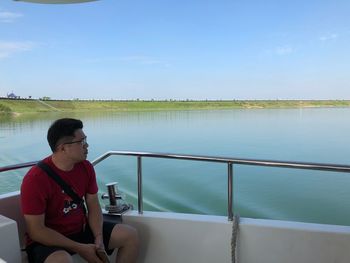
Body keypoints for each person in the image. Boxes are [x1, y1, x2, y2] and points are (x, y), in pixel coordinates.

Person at [20, 118, 139, 263]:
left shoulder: (86, 167)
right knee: (61, 260)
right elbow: (36, 231)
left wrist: (98, 237)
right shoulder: (35, 180)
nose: (87, 145)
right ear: (63, 148)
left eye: (86, 140)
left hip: (80, 230)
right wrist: (79, 248)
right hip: (47, 241)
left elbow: (93, 206)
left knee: (130, 235)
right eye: (81, 142)